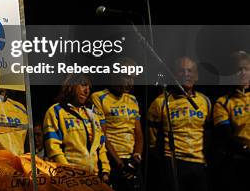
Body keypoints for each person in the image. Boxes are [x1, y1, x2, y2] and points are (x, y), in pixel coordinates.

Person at [147, 56, 211, 191]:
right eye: (181, 71)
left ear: (197, 75)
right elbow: (151, 141)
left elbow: (210, 134)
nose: (186, 74)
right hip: (172, 164)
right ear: (174, 75)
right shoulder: (160, 102)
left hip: (198, 164)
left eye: (190, 71)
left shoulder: (205, 101)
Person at [43, 74, 110, 183]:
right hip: (69, 178)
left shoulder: (93, 114)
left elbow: (101, 146)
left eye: (89, 87)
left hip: (94, 178)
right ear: (70, 86)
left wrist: (105, 171)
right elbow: (53, 148)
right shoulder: (55, 111)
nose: (87, 91)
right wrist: (69, 173)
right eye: (83, 85)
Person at [90, 61, 143, 191]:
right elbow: (102, 135)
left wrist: (136, 157)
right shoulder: (99, 97)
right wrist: (119, 163)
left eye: (132, 77)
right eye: (126, 76)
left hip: (132, 161)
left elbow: (139, 134)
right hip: (111, 160)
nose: (130, 82)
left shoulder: (132, 99)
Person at [212, 50, 249, 189]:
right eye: (238, 70)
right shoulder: (222, 103)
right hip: (241, 162)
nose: (243, 73)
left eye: (246, 69)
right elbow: (227, 138)